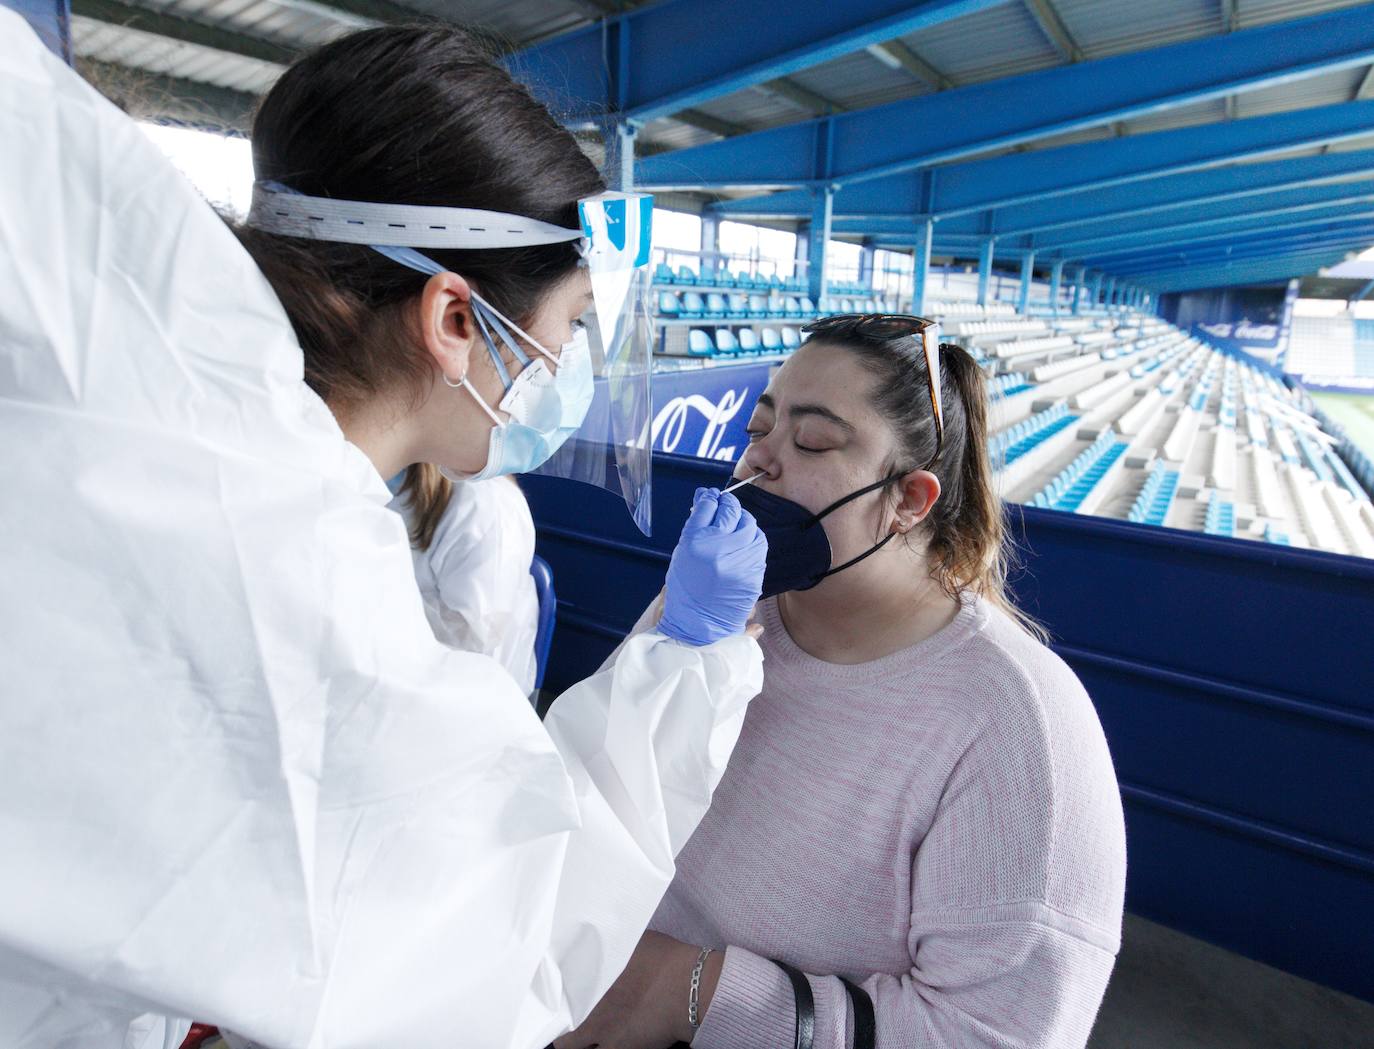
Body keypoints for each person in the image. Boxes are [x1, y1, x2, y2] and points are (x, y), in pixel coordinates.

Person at [0, 17, 768, 1049]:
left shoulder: (142, 392)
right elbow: (509, 942)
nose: (567, 365)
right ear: (456, 319)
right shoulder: (301, 580)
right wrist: (684, 669)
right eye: (572, 324)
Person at [558, 316, 1127, 1049]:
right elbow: (591, 801)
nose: (760, 460)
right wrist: (673, 654)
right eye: (760, 428)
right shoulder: (713, 607)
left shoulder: (1020, 727)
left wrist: (688, 990)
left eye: (813, 441)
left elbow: (991, 1034)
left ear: (910, 501)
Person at [391, 468, 542, 696]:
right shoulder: (370, 480)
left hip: (446, 699)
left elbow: (474, 646)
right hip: (389, 677)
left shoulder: (485, 505)